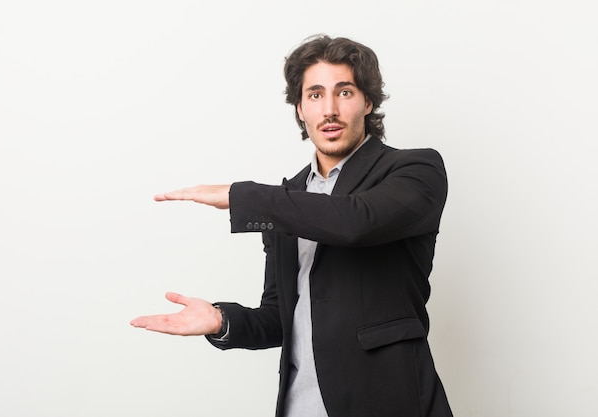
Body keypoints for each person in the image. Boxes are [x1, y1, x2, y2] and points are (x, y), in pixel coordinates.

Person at [130, 34, 453, 417]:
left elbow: (356, 221)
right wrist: (221, 320)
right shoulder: (287, 199)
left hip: (389, 401)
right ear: (300, 108)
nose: (329, 109)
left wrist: (241, 196)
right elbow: (279, 318)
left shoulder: (415, 170)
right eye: (315, 95)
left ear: (368, 101)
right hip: (300, 406)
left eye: (344, 92)